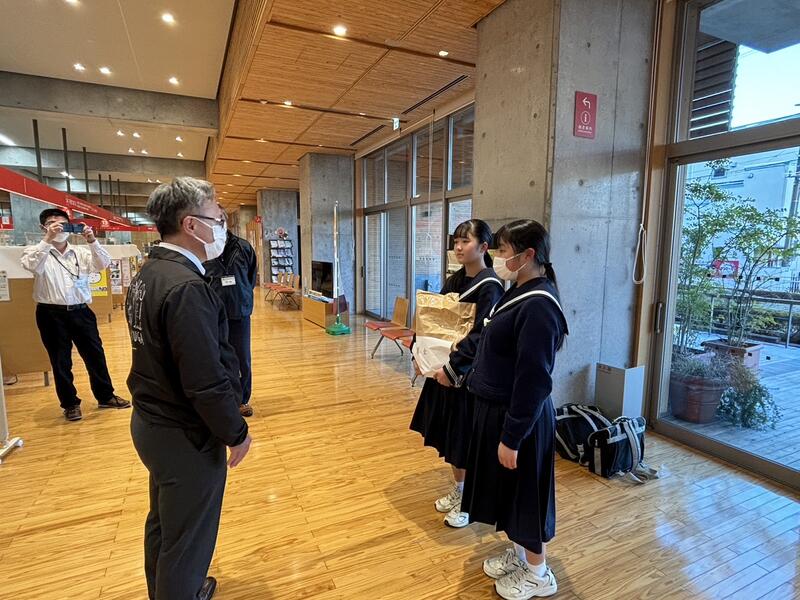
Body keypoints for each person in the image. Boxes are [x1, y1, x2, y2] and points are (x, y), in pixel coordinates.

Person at [125, 177, 253, 600]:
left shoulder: (152, 273)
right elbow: (205, 379)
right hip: (183, 431)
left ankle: (165, 591)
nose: (222, 225)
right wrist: (235, 432)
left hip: (153, 420)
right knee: (188, 541)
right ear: (191, 224)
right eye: (217, 216)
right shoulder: (186, 288)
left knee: (166, 523)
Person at [462, 219, 568, 600]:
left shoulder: (540, 306)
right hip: (503, 411)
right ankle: (522, 556)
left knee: (526, 497)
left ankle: (539, 574)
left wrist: (512, 436)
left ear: (528, 255)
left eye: (504, 250)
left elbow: (534, 379)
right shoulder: (519, 291)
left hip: (522, 420)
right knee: (509, 494)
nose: (498, 257)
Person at [410, 219, 504, 528]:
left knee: (466, 441)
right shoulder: (456, 279)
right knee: (451, 439)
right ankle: (460, 490)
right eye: (456, 242)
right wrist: (418, 353)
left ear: (484, 247)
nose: (459, 247)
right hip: (443, 374)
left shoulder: (490, 287)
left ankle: (470, 502)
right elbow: (430, 318)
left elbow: (480, 337)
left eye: (466, 241)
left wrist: (452, 369)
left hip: (466, 379)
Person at [20, 208, 130, 421]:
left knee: (95, 355)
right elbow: (31, 266)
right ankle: (70, 404)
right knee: (61, 360)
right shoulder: (35, 251)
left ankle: (105, 396)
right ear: (43, 227)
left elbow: (103, 264)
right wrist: (47, 239)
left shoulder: (81, 252)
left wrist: (92, 241)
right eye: (52, 224)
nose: (58, 228)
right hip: (51, 314)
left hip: (81, 311)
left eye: (62, 224)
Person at [204, 227, 258, 417]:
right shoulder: (204, 248)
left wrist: (242, 295)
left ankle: (242, 399)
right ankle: (223, 399)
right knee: (216, 357)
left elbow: (251, 277)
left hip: (239, 312)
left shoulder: (243, 247)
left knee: (242, 358)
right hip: (213, 313)